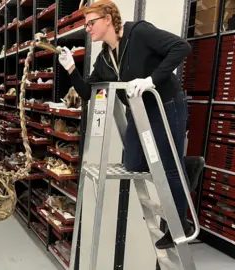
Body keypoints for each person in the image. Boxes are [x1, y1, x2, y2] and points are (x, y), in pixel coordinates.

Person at [58, 0, 193, 249]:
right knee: (133, 163)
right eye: (86, 24)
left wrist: (152, 79)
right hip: (138, 113)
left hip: (165, 105)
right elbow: (88, 93)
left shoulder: (139, 33)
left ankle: (181, 225)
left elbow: (181, 47)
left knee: (170, 165)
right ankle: (189, 165)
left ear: (108, 19)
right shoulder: (105, 57)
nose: (87, 28)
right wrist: (71, 69)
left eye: (91, 23)